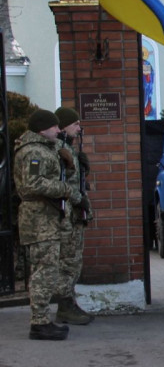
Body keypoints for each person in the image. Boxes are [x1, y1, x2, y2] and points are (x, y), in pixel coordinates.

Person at [13, 109, 77, 340]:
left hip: (46, 218)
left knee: (47, 268)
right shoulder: (33, 152)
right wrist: (65, 190)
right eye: (54, 127)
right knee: (44, 270)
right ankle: (39, 322)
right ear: (42, 129)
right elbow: (33, 183)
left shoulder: (44, 148)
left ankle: (42, 320)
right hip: (39, 219)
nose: (59, 130)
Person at [53, 106, 95, 325]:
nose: (79, 128)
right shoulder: (59, 149)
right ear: (63, 126)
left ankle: (70, 302)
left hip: (75, 211)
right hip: (66, 212)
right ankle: (64, 306)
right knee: (68, 261)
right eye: (75, 124)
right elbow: (63, 182)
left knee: (74, 260)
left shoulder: (68, 148)